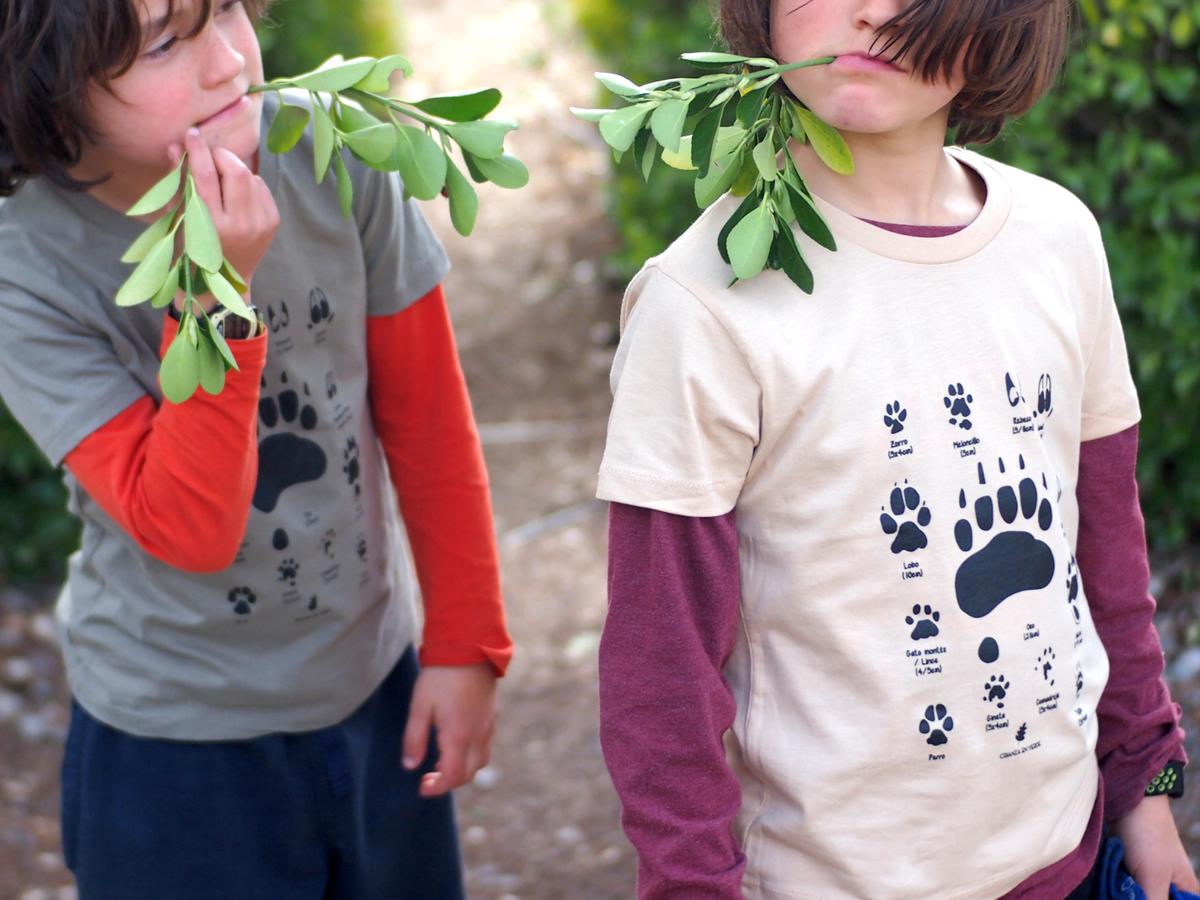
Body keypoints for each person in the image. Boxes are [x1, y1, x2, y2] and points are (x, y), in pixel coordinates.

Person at [595, 0, 1196, 897]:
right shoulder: (703, 304)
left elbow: (1108, 558)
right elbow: (661, 674)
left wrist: (1147, 792)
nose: (870, 10)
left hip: (1065, 860)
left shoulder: (1057, 239)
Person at [0, 0, 512, 896]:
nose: (230, 61)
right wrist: (215, 289)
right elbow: (188, 525)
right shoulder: (27, 274)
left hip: (372, 686)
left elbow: (426, 417)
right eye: (165, 41)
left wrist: (465, 642)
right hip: (172, 741)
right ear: (46, 89)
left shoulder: (336, 155)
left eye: (229, 9)